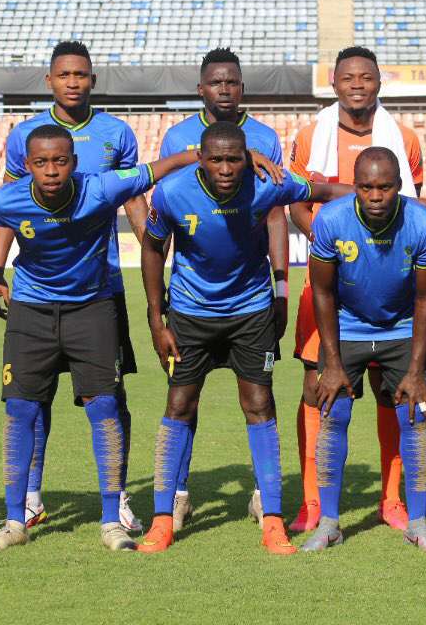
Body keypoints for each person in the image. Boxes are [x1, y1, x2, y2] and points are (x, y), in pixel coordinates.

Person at [0, 124, 278, 551]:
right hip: (31, 311)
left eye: (60, 161)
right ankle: (13, 521)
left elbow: (160, 167)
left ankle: (111, 520)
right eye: (41, 162)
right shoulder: (10, 197)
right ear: (26, 166)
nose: (52, 170)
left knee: (106, 407)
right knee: (20, 409)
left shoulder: (101, 186)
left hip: (91, 309)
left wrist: (240, 157)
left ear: (75, 163)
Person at [137, 121, 351, 555]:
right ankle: (162, 520)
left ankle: (271, 518)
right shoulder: (172, 192)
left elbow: (324, 192)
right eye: (215, 159)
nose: (226, 167)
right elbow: (152, 248)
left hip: (251, 314)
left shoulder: (266, 185)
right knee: (179, 405)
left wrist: (399, 198)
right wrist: (157, 320)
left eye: (234, 158)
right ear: (200, 158)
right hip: (190, 315)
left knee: (259, 404)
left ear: (247, 158)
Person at [0, 40, 147, 532]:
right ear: (50, 81)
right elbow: (8, 206)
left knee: (108, 396)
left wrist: (151, 250)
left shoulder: (116, 133)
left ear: (92, 80)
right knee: (31, 398)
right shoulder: (26, 136)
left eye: (81, 74)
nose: (73, 82)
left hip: (101, 284)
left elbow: (133, 199)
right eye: (65, 75)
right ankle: (31, 493)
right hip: (39, 286)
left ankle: (117, 496)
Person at [288, 45, 426, 533]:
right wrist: (333, 242)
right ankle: (311, 502)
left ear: (378, 83)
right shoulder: (310, 136)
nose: (357, 86)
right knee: (317, 386)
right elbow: (297, 202)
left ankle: (392, 501)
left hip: (390, 285)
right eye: (348, 78)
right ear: (335, 83)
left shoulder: (404, 140)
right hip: (328, 281)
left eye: (366, 78)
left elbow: (414, 208)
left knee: (393, 392)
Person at [158, 46, 289, 528]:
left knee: (259, 398)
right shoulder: (176, 136)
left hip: (250, 298)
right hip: (192, 299)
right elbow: (167, 214)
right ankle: (177, 493)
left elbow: (275, 211)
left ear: (242, 88)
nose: (225, 90)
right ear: (201, 89)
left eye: (232, 82)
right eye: (216, 83)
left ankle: (263, 493)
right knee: (182, 397)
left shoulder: (267, 138)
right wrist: (162, 309)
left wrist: (281, 285)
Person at [300, 147, 426, 553]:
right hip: (346, 328)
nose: (376, 196)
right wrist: (329, 360)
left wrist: (417, 369)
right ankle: (328, 523)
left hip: (401, 328)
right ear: (355, 186)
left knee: (416, 418)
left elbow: (425, 301)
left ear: (400, 187)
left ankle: (417, 523)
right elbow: (323, 293)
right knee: (333, 416)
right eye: (366, 187)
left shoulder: (421, 224)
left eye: (385, 187)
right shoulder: (331, 218)